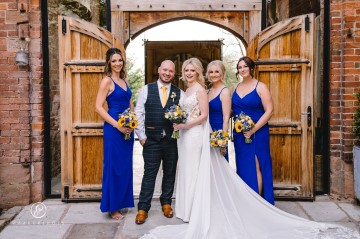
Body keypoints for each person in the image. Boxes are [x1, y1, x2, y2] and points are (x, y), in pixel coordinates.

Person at [140, 61, 359, 239]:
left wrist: (221, 135)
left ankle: (241, 204)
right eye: (187, 70)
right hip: (194, 135)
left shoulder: (224, 90)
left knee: (218, 170)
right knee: (198, 172)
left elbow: (223, 115)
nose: (191, 73)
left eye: (215, 71)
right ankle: (191, 207)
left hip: (210, 133)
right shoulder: (202, 89)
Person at [134, 60, 183, 224]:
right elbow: (139, 112)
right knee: (149, 174)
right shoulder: (146, 89)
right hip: (151, 140)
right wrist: (141, 136)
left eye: (170, 71)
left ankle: (166, 203)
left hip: (171, 141)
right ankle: (142, 208)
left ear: (174, 73)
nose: (167, 73)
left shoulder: (179, 93)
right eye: (165, 70)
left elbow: (184, 115)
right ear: (158, 70)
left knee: (170, 172)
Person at [95, 48, 134, 220]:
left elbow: (130, 103)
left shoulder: (124, 80)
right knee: (114, 167)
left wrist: (132, 121)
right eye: (114, 61)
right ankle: (113, 208)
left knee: (125, 167)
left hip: (127, 127)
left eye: (120, 60)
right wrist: (117, 125)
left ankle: (122, 201)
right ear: (109, 63)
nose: (117, 63)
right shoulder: (107, 81)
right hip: (114, 128)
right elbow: (98, 107)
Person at [231, 56, 275, 204]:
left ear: (251, 68)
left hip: (258, 132)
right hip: (240, 134)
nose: (242, 69)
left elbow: (269, 111)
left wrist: (253, 129)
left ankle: (257, 203)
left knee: (256, 164)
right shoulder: (234, 88)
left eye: (245, 66)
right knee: (243, 165)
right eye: (239, 67)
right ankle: (245, 202)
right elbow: (231, 111)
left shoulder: (260, 87)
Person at [172, 57, 208, 222]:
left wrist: (185, 126)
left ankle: (194, 211)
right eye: (186, 70)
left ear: (198, 72)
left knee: (193, 170)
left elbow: (204, 115)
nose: (189, 73)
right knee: (186, 169)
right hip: (184, 135)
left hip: (194, 135)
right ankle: (185, 209)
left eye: (192, 70)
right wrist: (178, 121)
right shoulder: (186, 90)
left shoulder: (200, 90)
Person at [206, 60, 231, 161]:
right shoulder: (208, 91)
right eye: (211, 72)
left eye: (217, 72)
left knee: (220, 163)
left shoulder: (224, 92)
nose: (213, 75)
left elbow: (226, 118)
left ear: (222, 74)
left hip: (218, 131)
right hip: (207, 130)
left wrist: (223, 140)